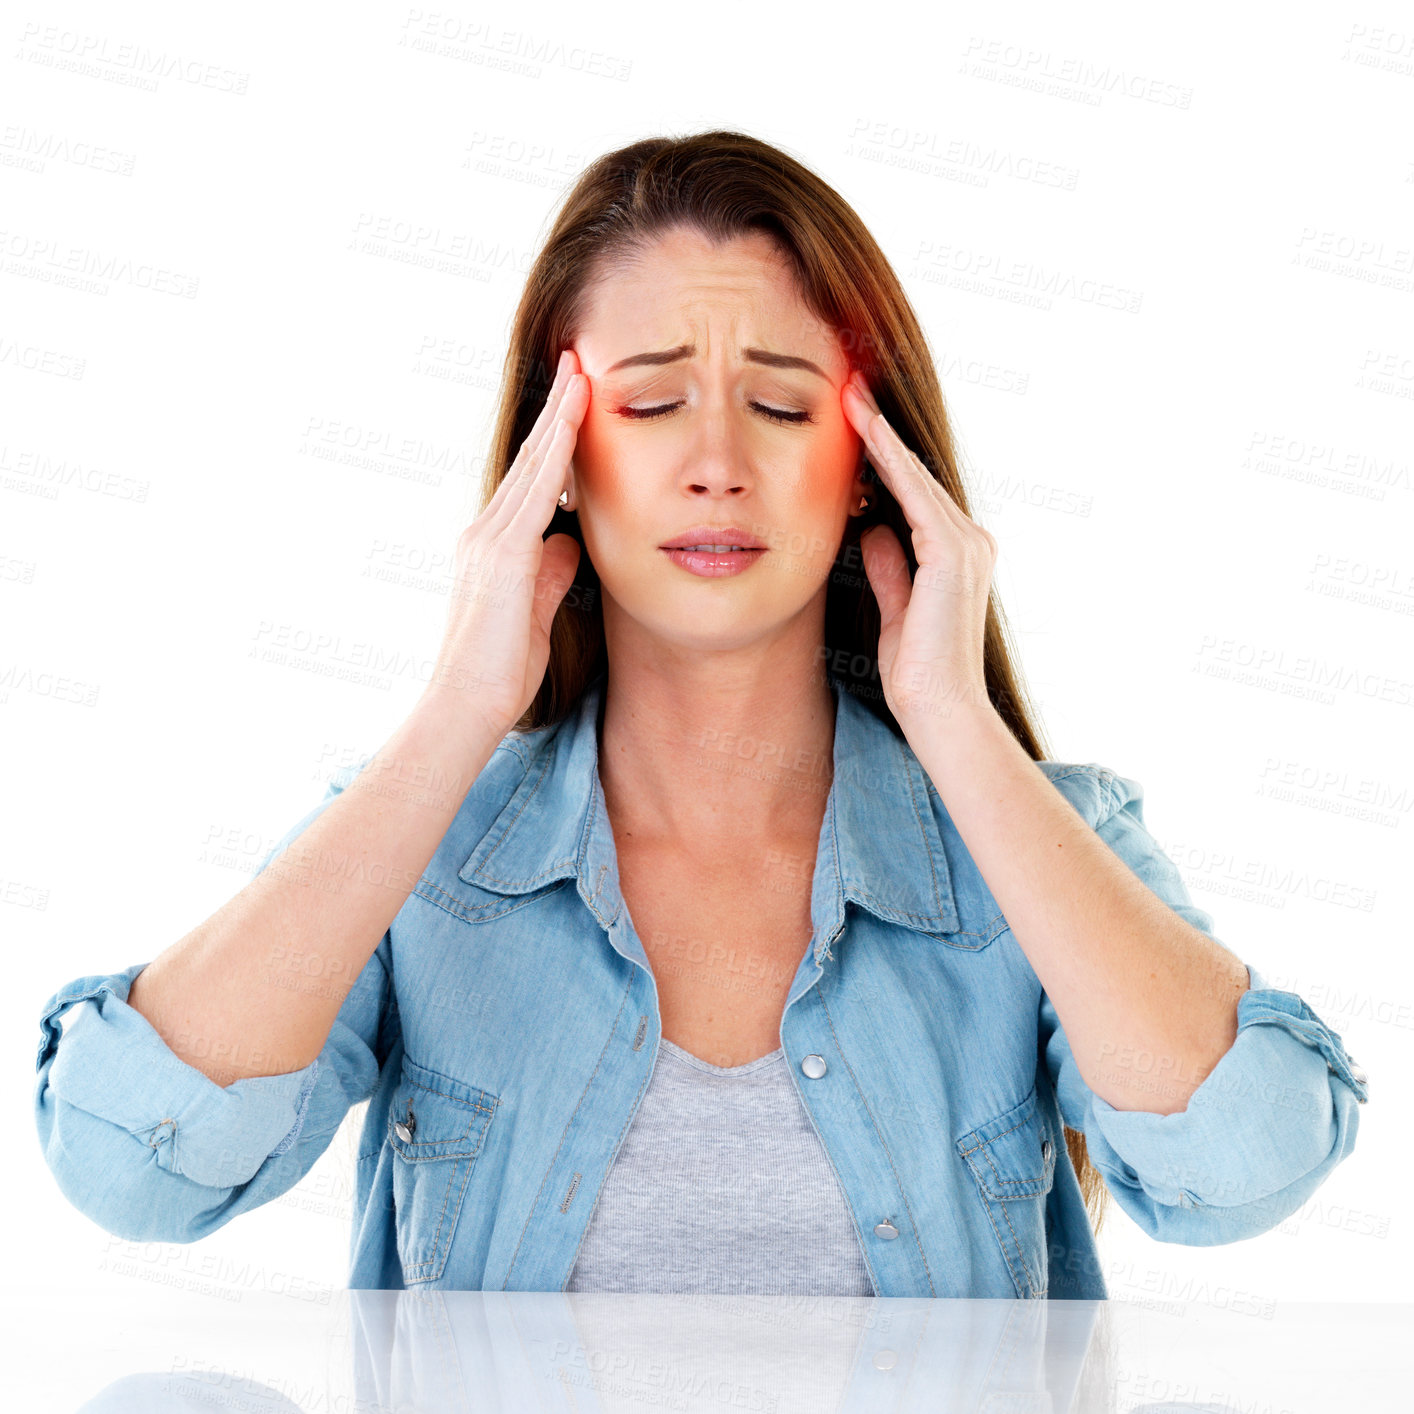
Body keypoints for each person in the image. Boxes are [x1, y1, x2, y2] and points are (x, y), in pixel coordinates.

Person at [34, 130, 1369, 1298]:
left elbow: (1247, 1162)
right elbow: (127, 1162)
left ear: (865, 468)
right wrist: (456, 707)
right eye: (653, 402)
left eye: (783, 405)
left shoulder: (1038, 843)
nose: (718, 466)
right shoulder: (417, 853)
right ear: (554, 457)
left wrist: (955, 723)